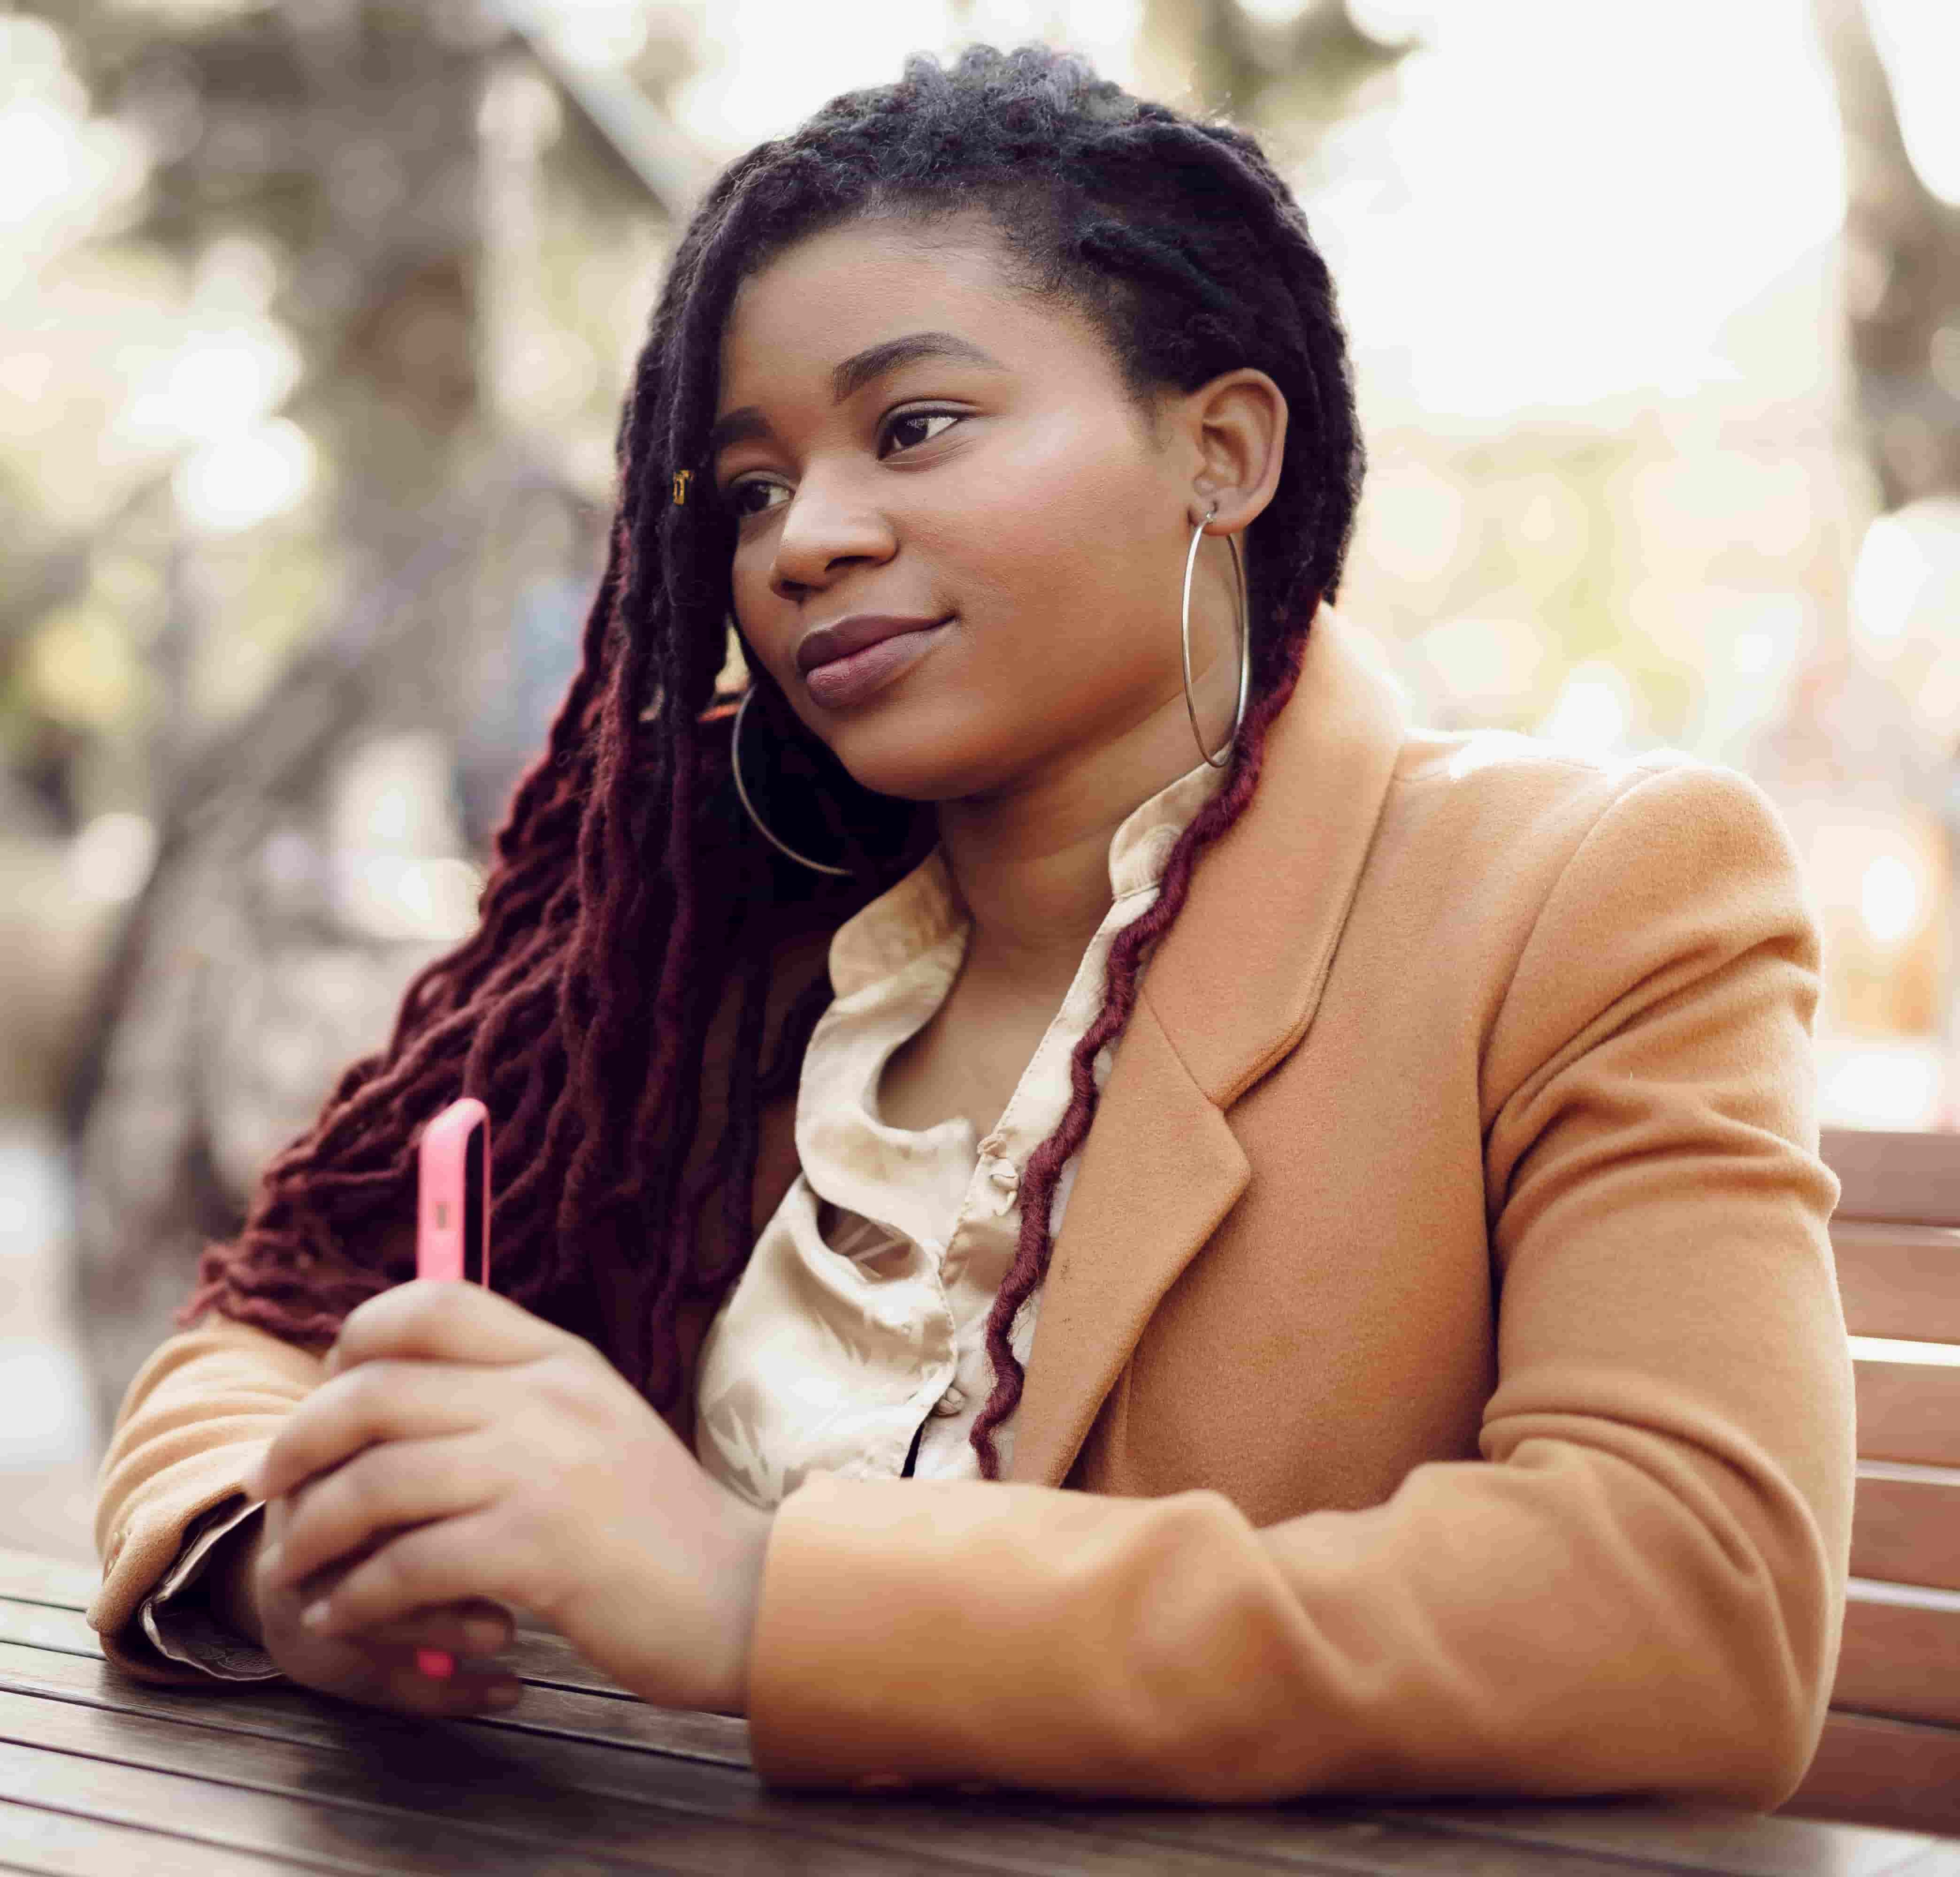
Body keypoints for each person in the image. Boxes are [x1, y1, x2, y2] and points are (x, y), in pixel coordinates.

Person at [89, 43, 1853, 1807]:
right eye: (752, 488)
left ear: (1223, 453)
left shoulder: (1580, 897)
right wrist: (293, 1554)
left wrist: (755, 1602)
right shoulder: (705, 935)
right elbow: (264, 1342)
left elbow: (1690, 1606)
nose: (805, 542)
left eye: (915, 428)